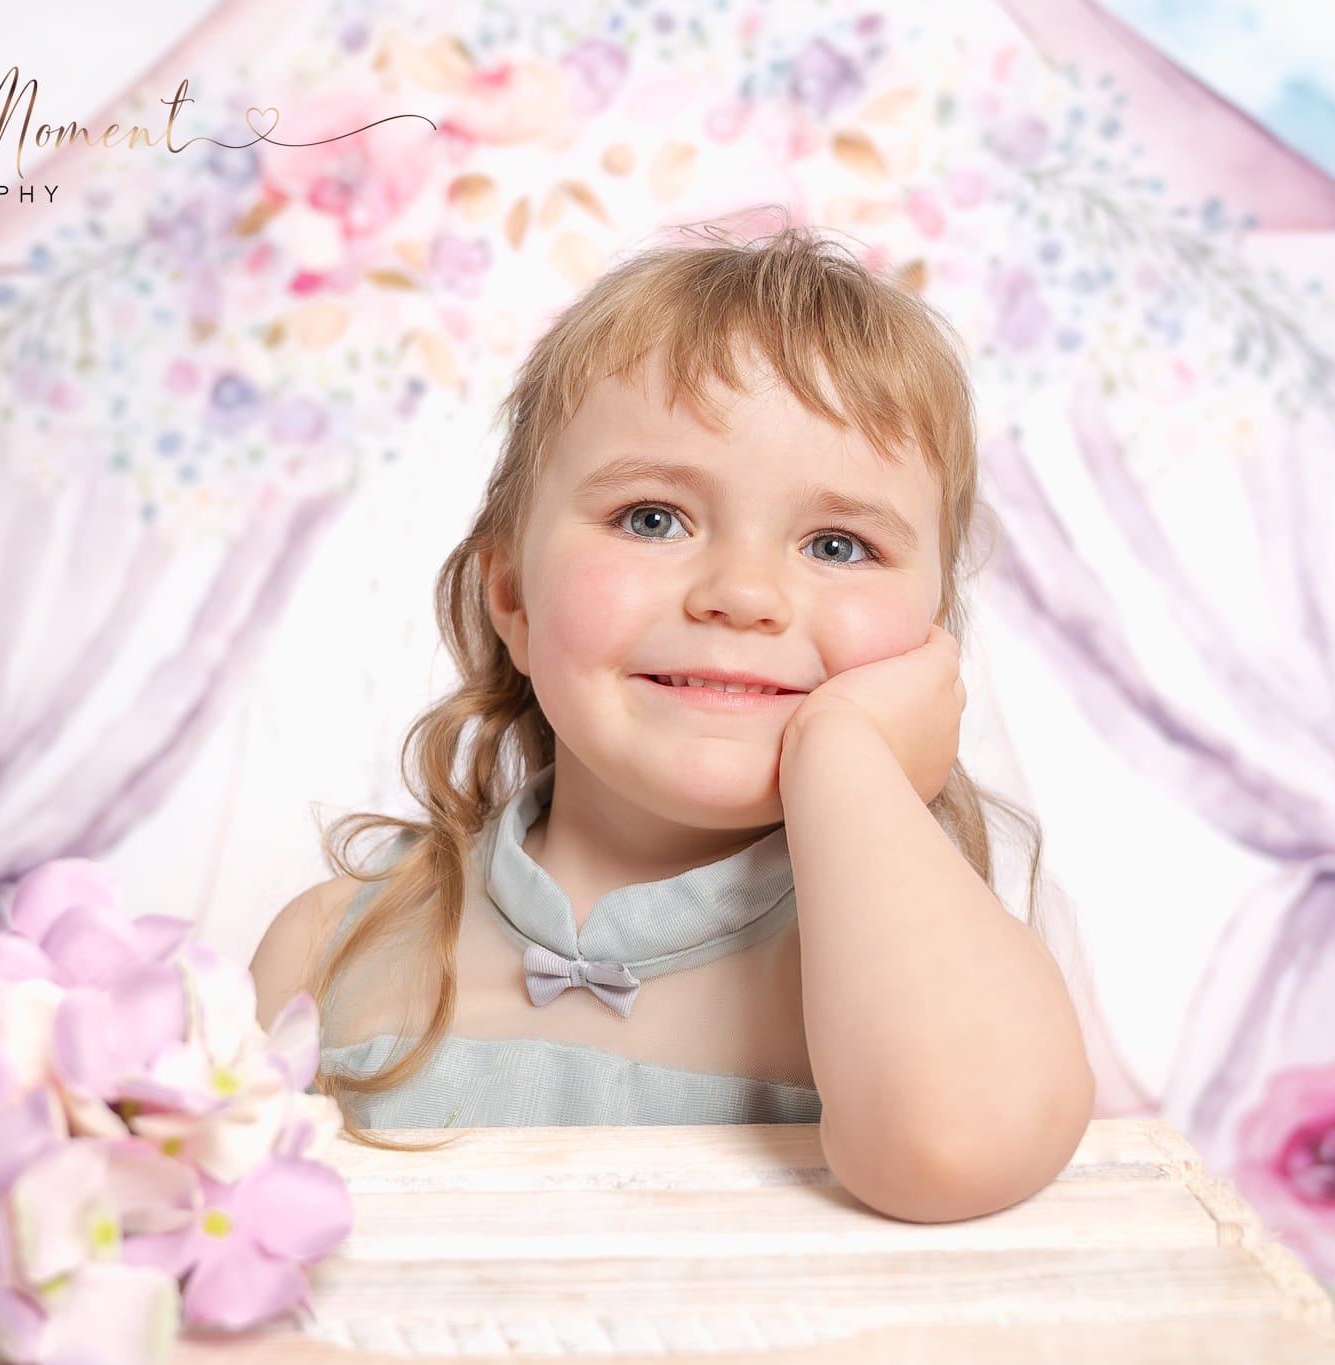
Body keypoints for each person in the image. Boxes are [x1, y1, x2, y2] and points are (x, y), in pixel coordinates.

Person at [251, 217, 1094, 1223]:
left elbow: (957, 1148)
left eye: (837, 544)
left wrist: (847, 759)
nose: (741, 594)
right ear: (512, 597)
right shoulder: (325, 951)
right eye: (652, 519)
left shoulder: (925, 972)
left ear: (928, 641)